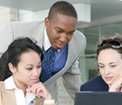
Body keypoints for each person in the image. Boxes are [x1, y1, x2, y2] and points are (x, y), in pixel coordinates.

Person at [0, 1, 86, 101]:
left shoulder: (79, 42)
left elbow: (72, 77)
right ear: (47, 22)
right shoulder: (14, 31)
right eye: (59, 31)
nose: (63, 39)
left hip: (46, 98)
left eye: (70, 33)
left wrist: (85, 101)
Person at [0, 37, 57, 105]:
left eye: (38, 66)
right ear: (12, 67)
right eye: (29, 68)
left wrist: (48, 99)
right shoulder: (2, 91)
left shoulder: (37, 96)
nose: (36, 73)